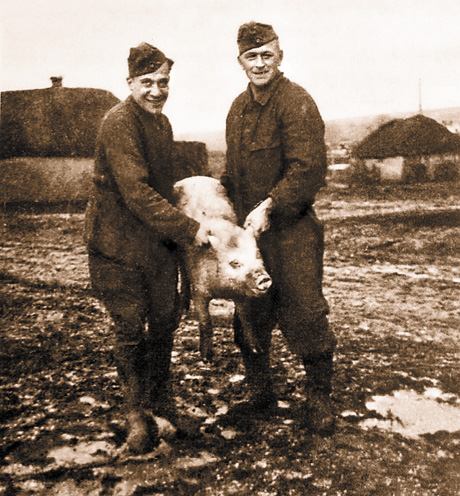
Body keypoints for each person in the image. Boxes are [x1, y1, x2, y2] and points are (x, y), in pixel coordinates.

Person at [84, 42, 209, 454]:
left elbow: (162, 186)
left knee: (164, 322)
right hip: (117, 247)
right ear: (130, 83)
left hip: (155, 246)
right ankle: (136, 415)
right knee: (131, 330)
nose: (156, 91)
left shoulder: (161, 124)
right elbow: (136, 192)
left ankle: (164, 404)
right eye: (147, 83)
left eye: (163, 82)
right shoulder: (118, 123)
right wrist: (189, 229)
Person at [221, 22, 337, 434]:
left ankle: (319, 399)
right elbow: (233, 174)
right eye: (251, 56)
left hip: (292, 232)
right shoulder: (237, 109)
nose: (259, 63)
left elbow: (309, 169)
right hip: (250, 239)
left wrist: (271, 205)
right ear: (240, 62)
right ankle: (260, 394)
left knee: (305, 312)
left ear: (280, 56)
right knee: (249, 315)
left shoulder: (296, 101)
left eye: (266, 54)